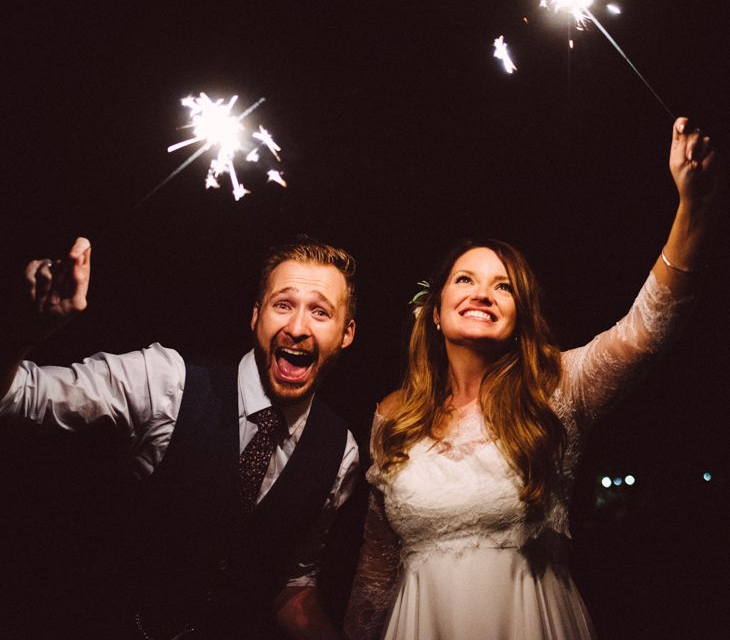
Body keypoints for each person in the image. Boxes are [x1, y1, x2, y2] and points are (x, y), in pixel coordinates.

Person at [343, 118, 726, 640]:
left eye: (503, 287)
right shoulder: (392, 416)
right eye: (465, 280)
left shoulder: (558, 388)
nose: (482, 293)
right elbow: (375, 567)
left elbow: (647, 328)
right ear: (434, 312)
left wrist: (693, 207)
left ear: (518, 314)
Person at [0, 236, 359, 639]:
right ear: (256, 316)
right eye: (283, 305)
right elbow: (20, 397)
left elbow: (295, 582)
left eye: (320, 312)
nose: (296, 327)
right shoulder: (166, 381)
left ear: (346, 334)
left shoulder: (339, 452)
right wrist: (23, 332)